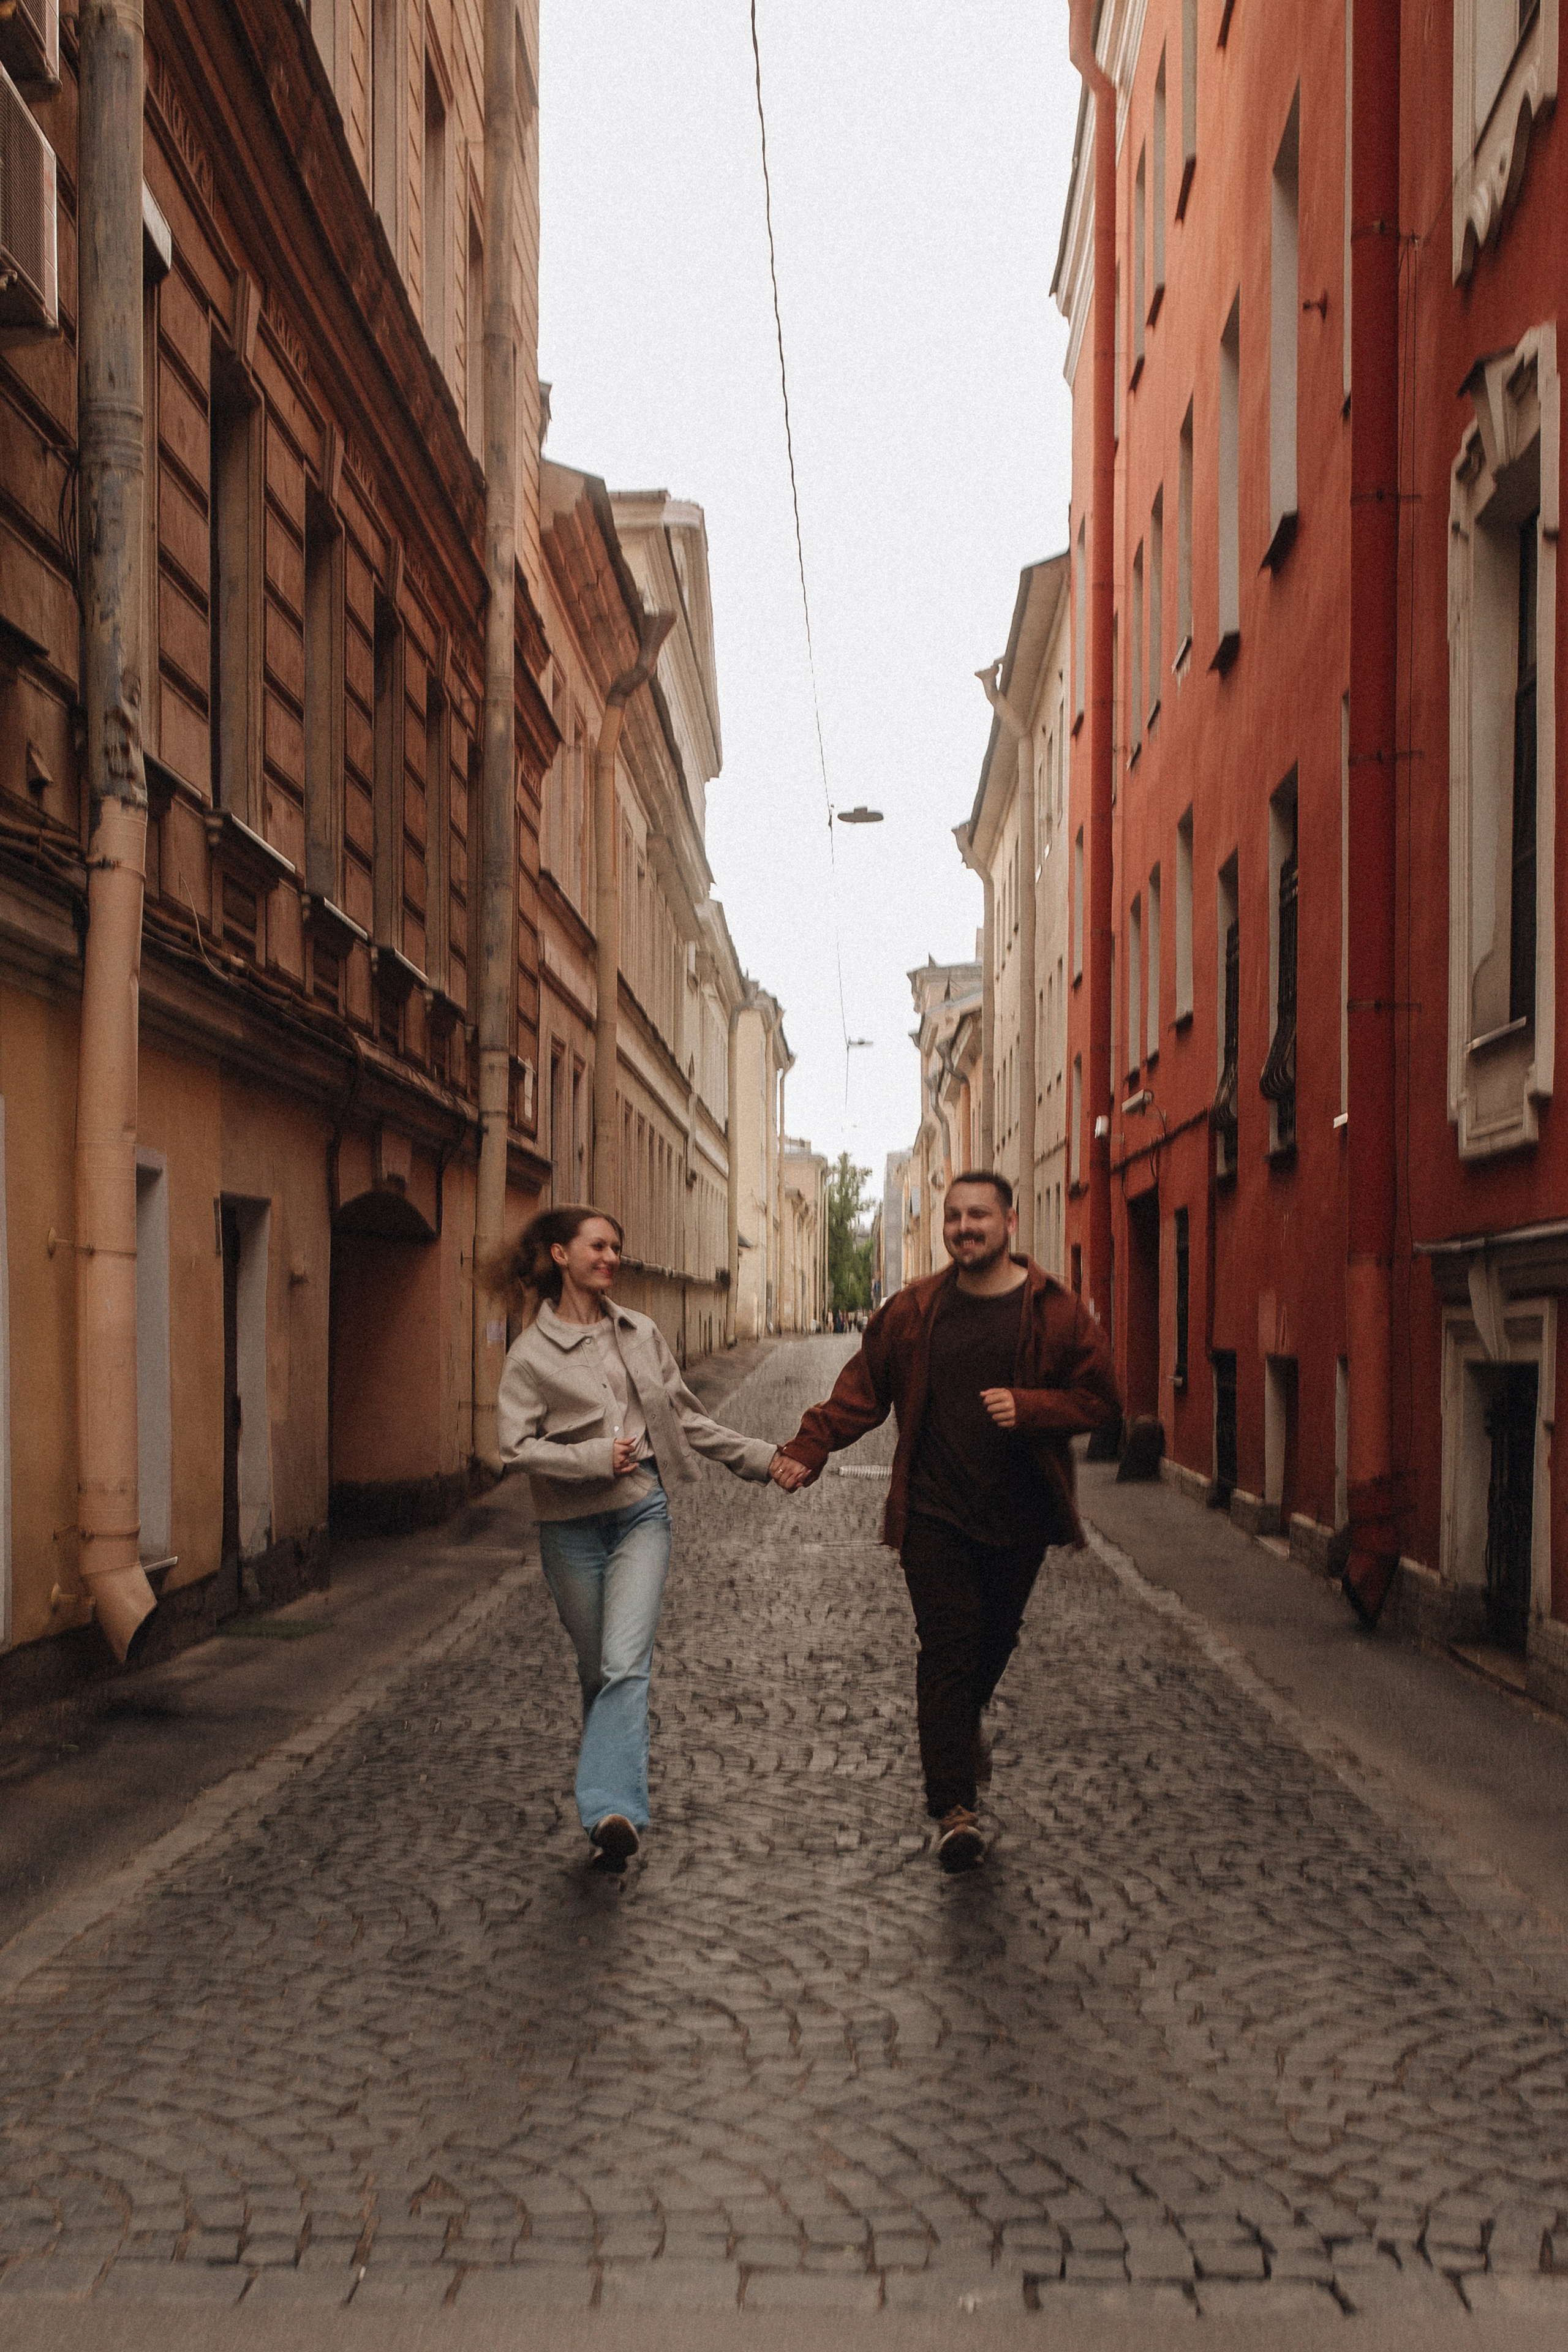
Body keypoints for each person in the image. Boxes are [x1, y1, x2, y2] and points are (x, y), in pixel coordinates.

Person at [772, 1171, 1121, 1872]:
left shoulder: (1052, 1311)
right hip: (933, 1514)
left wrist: (1032, 1409)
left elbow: (1101, 1401)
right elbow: (862, 1390)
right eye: (954, 1217)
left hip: (1019, 1517)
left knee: (994, 1641)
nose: (965, 1228)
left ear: (1010, 1222)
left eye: (979, 1216)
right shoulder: (914, 1309)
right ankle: (954, 1807)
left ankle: (958, 1734)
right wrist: (809, 1447)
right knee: (947, 1650)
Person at [492, 1205, 791, 1869]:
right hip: (569, 1530)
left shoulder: (641, 1333)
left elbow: (687, 1418)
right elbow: (512, 1449)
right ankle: (609, 1793)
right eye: (598, 1245)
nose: (611, 1257)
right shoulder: (531, 1354)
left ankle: (609, 1809)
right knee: (599, 1669)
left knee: (626, 1664)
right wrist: (589, 1458)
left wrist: (762, 1458)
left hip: (640, 1515)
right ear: (561, 1255)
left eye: (616, 1248)